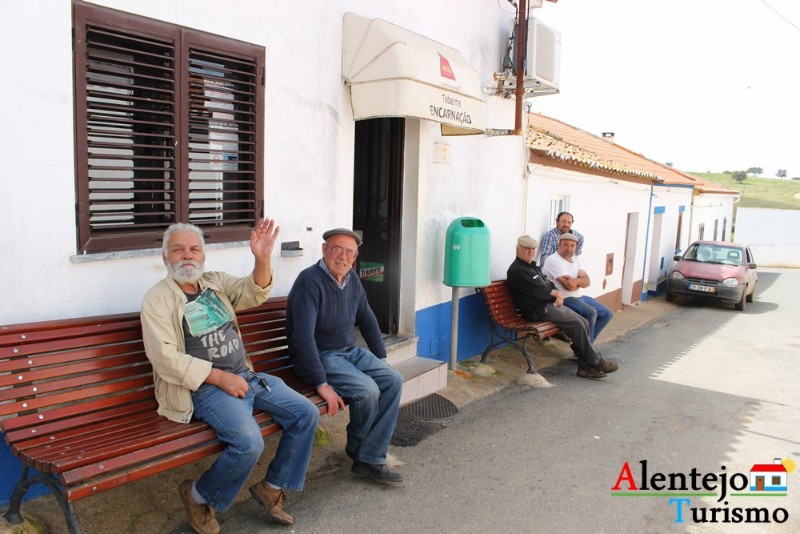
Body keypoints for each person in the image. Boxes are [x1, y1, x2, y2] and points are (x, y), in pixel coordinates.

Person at [141, 220, 319, 533]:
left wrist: (262, 259)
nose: (187, 256)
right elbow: (164, 358)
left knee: (305, 413)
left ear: (203, 255)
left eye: (194, 249)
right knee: (248, 443)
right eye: (178, 249)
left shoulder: (215, 283)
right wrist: (219, 378)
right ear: (165, 257)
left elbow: (254, 292)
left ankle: (272, 486)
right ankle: (197, 496)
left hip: (246, 377)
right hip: (204, 388)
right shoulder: (158, 299)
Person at [286, 228, 404, 484]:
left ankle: (369, 455)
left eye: (349, 251)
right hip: (319, 355)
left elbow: (368, 319)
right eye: (337, 248)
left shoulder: (351, 280)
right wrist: (321, 383)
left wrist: (380, 359)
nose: (342, 256)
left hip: (348, 352)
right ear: (324, 250)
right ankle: (363, 455)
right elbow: (303, 337)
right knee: (368, 390)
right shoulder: (310, 281)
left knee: (392, 380)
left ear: (355, 256)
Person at [506, 235, 619, 379]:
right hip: (536, 310)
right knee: (577, 324)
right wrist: (554, 293)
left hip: (547, 305)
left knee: (583, 322)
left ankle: (585, 366)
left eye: (532, 249)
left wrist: (556, 293)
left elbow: (548, 283)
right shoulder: (517, 270)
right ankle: (596, 361)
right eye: (527, 249)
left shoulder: (531, 266)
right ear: (518, 249)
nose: (530, 252)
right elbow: (536, 291)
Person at [541, 233, 613, 343]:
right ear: (558, 244)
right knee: (591, 313)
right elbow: (569, 286)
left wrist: (575, 281)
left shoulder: (576, 259)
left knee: (607, 314)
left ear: (576, 247)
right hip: (564, 299)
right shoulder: (553, 260)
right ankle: (587, 349)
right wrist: (579, 281)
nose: (569, 248)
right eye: (565, 245)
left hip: (579, 297)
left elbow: (587, 281)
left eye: (572, 245)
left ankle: (587, 345)